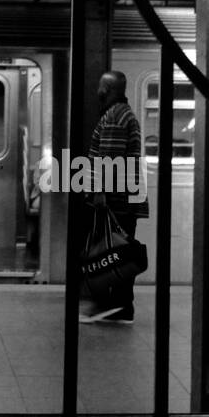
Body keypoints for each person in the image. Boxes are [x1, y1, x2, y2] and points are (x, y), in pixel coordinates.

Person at [80, 70, 149, 324]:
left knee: (113, 251)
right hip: (122, 199)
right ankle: (118, 306)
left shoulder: (114, 118)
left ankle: (117, 306)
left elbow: (108, 159)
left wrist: (98, 192)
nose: (97, 91)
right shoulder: (122, 114)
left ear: (107, 90)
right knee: (117, 249)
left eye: (100, 86)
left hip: (115, 201)